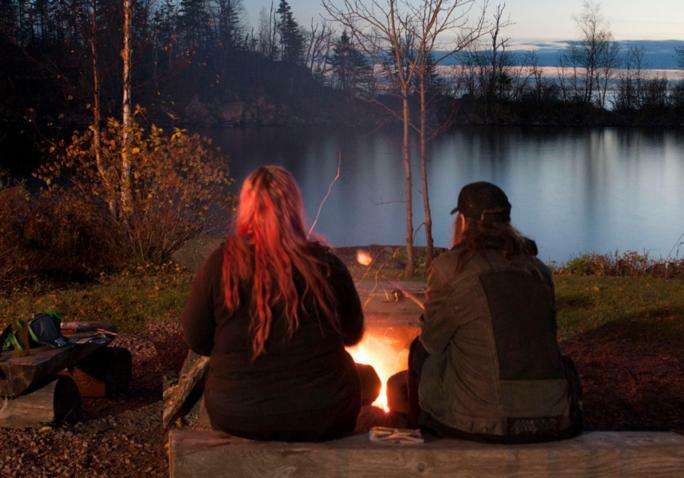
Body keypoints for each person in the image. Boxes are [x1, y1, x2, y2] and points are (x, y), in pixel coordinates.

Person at [181, 165, 371, 441]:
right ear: (294, 208)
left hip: (237, 413)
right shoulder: (326, 265)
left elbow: (196, 339)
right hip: (322, 412)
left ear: (246, 207)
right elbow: (352, 334)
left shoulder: (220, 264)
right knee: (368, 380)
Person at [389, 181, 583, 443]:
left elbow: (432, 341)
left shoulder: (451, 268)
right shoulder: (538, 270)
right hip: (555, 415)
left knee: (419, 352)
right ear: (507, 221)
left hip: (488, 421)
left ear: (463, 222)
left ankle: (418, 431)